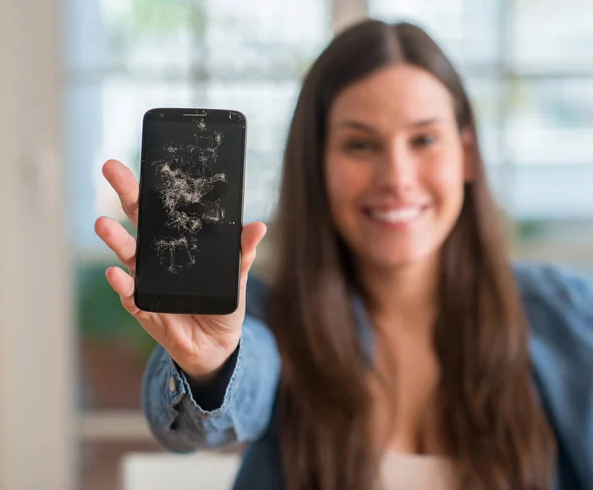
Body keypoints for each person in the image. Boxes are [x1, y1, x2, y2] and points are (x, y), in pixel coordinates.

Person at [95, 19, 593, 490]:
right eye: (360, 145)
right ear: (317, 164)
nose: (397, 177)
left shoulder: (564, 311)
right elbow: (195, 424)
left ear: (465, 152)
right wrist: (210, 364)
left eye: (424, 139)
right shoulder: (267, 318)